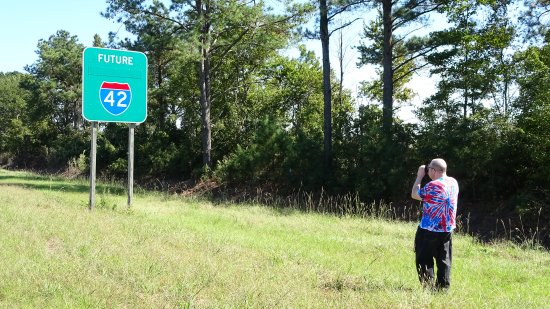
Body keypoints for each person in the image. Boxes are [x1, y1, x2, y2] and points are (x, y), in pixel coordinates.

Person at [411, 158, 459, 290]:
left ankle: (428, 288)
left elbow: (415, 194)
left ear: (433, 170)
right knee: (444, 259)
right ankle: (443, 288)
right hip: (447, 229)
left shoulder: (434, 185)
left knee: (423, 259)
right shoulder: (453, 182)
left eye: (429, 169)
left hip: (429, 229)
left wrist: (419, 176)